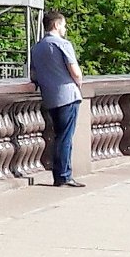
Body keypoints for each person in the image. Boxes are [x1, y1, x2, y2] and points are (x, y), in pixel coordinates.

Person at [30, 11, 85, 186]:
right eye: (63, 25)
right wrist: (79, 83)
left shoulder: (36, 48)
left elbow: (33, 75)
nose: (65, 28)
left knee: (58, 135)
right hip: (68, 96)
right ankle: (63, 175)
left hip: (50, 97)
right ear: (56, 25)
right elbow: (75, 72)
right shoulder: (63, 44)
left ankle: (60, 174)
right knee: (65, 137)